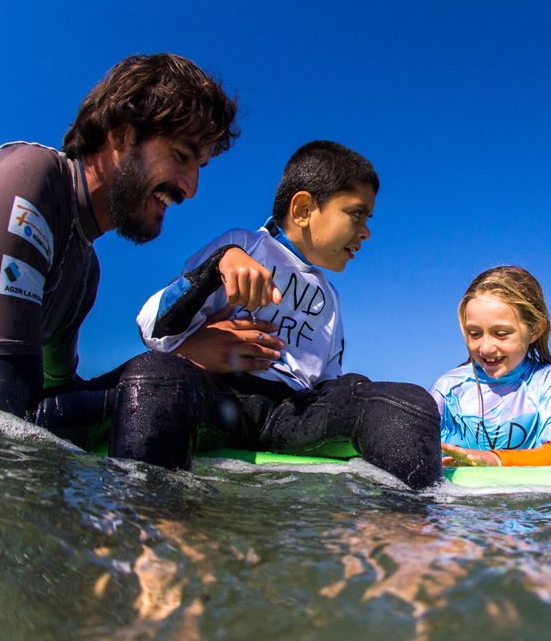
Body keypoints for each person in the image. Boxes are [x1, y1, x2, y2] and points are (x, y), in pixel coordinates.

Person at [0, 53, 262, 453]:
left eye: (200, 167)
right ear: (120, 134)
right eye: (181, 155)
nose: (190, 188)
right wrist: (169, 373)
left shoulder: (85, 273)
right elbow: (7, 420)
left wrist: (185, 357)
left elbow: (59, 396)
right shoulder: (27, 183)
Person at [130, 141, 442, 490]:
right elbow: (152, 327)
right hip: (219, 398)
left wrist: (357, 395)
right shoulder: (242, 246)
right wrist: (218, 264)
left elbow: (326, 380)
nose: (366, 231)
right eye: (357, 214)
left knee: (407, 402)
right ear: (303, 209)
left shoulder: (331, 297)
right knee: (154, 375)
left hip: (290, 414)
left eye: (368, 218)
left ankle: (410, 530)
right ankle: (146, 518)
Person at [429, 266, 551, 467]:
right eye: (474, 334)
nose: (486, 348)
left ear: (535, 330)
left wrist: (496, 458)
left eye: (501, 334)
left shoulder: (547, 379)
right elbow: (416, 444)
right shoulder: (448, 388)